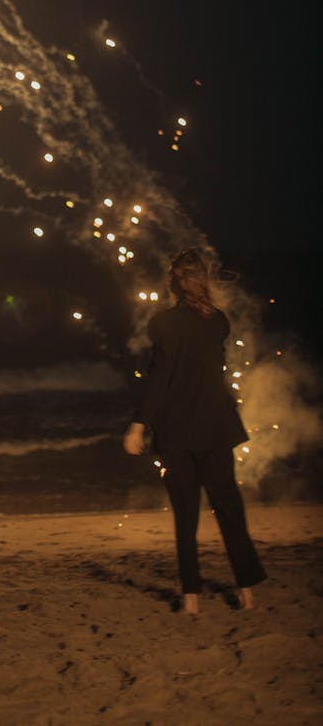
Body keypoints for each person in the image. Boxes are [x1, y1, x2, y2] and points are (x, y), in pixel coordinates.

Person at [123, 248, 265, 615]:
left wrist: (140, 424)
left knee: (185, 517)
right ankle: (246, 591)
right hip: (216, 427)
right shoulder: (218, 321)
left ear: (172, 283)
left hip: (177, 431)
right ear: (204, 280)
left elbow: (160, 380)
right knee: (230, 510)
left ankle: (191, 598)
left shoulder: (163, 324)